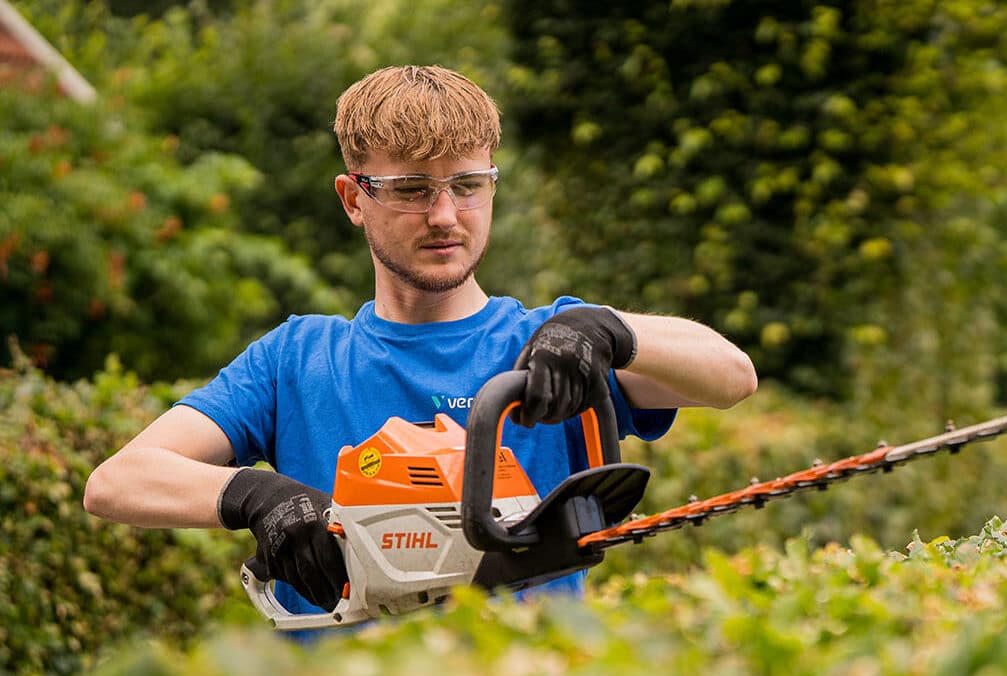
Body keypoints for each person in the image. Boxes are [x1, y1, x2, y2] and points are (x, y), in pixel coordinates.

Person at [83, 65, 757, 619]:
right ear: (353, 199)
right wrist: (256, 497)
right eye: (411, 189)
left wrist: (610, 331)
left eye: (468, 186)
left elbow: (732, 377)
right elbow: (117, 482)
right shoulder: (297, 359)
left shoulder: (550, 343)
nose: (444, 216)